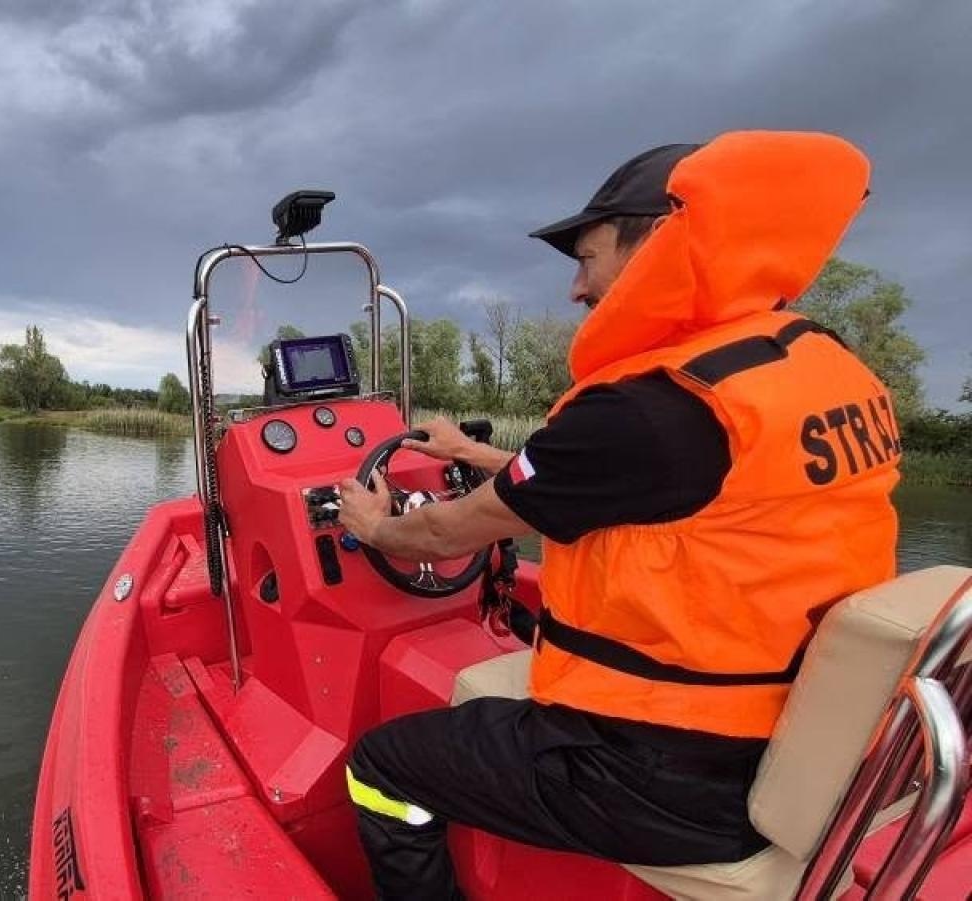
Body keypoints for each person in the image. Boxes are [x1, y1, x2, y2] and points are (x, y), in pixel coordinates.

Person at [335, 132, 902, 900]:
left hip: (659, 773)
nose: (576, 289)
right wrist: (489, 457)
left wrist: (374, 526)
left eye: (588, 258)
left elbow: (445, 531)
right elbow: (675, 494)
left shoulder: (645, 410)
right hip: (814, 740)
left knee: (381, 763)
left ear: (664, 242)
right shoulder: (819, 365)